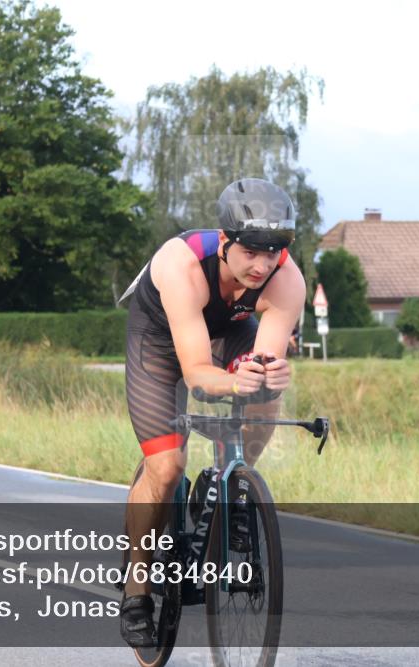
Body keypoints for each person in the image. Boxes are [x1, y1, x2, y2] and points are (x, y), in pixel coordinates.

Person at [118, 178, 305, 647]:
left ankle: (235, 488)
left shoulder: (288, 280)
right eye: (251, 251)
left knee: (264, 389)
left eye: (274, 251)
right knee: (166, 468)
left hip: (229, 328)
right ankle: (138, 584)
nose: (263, 264)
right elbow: (199, 376)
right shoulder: (180, 264)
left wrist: (265, 375)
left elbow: (262, 360)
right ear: (225, 243)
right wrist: (230, 379)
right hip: (159, 341)